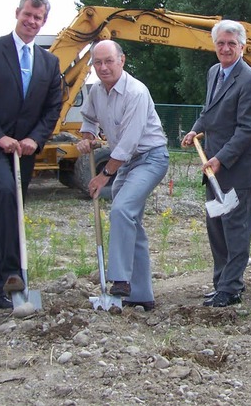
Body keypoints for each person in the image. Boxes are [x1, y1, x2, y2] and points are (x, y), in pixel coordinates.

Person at [0, 0, 63, 309]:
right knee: (6, 195)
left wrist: (35, 138)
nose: (32, 21)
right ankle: (12, 274)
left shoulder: (49, 62)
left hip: (24, 150)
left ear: (44, 21)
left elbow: (52, 108)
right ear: (17, 13)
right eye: (27, 15)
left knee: (8, 214)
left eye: (38, 18)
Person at [76, 40, 169, 312]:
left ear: (122, 60)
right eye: (98, 62)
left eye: (109, 61)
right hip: (126, 162)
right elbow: (89, 119)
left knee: (121, 210)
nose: (103, 67)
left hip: (150, 157)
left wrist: (103, 176)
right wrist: (88, 136)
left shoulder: (136, 92)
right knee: (131, 223)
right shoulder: (95, 91)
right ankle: (141, 295)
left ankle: (119, 280)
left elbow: (128, 144)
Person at [181, 20, 251, 308]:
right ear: (214, 45)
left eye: (232, 43)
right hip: (213, 167)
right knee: (216, 226)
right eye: (221, 43)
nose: (226, 48)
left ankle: (231, 288)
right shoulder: (214, 72)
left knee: (235, 228)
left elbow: (247, 130)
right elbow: (209, 111)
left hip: (237, 170)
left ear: (243, 47)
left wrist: (221, 159)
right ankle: (221, 283)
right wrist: (195, 129)